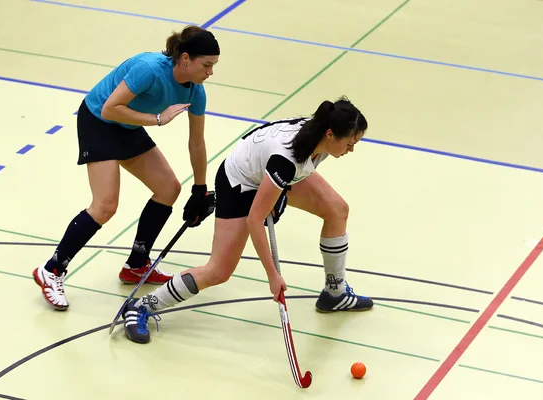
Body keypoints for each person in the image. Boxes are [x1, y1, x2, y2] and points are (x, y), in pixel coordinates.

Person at [122, 96, 374, 344]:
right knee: (219, 271)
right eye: (350, 144)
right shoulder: (287, 160)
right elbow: (255, 219)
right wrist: (272, 275)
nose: (351, 150)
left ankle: (335, 292)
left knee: (337, 210)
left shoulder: (318, 134)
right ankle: (142, 306)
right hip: (239, 184)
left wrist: (280, 194)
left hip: (266, 171)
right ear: (330, 134)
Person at [32, 25, 219, 310]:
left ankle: (137, 265)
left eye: (213, 66)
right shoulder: (149, 69)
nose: (210, 72)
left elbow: (197, 142)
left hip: (129, 125)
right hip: (99, 121)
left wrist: (200, 188)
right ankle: (52, 270)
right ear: (184, 58)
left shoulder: (196, 92)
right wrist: (157, 119)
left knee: (169, 189)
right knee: (105, 205)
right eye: (206, 65)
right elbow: (109, 109)